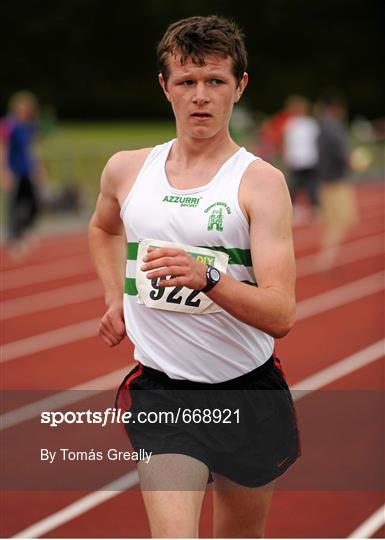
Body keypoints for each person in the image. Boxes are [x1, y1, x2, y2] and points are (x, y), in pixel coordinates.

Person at [89, 15, 300, 538]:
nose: (200, 96)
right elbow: (103, 229)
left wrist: (208, 278)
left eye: (215, 81)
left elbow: (282, 314)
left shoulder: (261, 184)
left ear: (240, 86)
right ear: (165, 87)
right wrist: (115, 297)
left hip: (245, 394)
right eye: (186, 82)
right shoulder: (126, 170)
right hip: (163, 395)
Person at [315, 93, 358, 270]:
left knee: (334, 222)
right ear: (336, 109)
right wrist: (356, 163)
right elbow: (344, 156)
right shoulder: (334, 128)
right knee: (340, 223)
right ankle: (326, 260)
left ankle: (327, 259)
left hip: (324, 181)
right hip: (336, 182)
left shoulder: (321, 128)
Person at [0, 91, 42, 257]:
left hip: (27, 171)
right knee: (13, 206)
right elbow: (3, 148)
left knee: (34, 204)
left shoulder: (29, 126)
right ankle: (13, 238)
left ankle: (24, 229)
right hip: (14, 171)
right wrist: (4, 171)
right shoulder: (9, 125)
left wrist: (38, 166)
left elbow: (32, 148)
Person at [282, 95, 320, 222]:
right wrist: (287, 157)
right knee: (295, 186)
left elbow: (316, 141)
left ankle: (314, 208)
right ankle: (292, 208)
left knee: (311, 185)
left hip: (309, 159)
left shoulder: (309, 123)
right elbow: (287, 143)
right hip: (297, 160)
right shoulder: (291, 124)